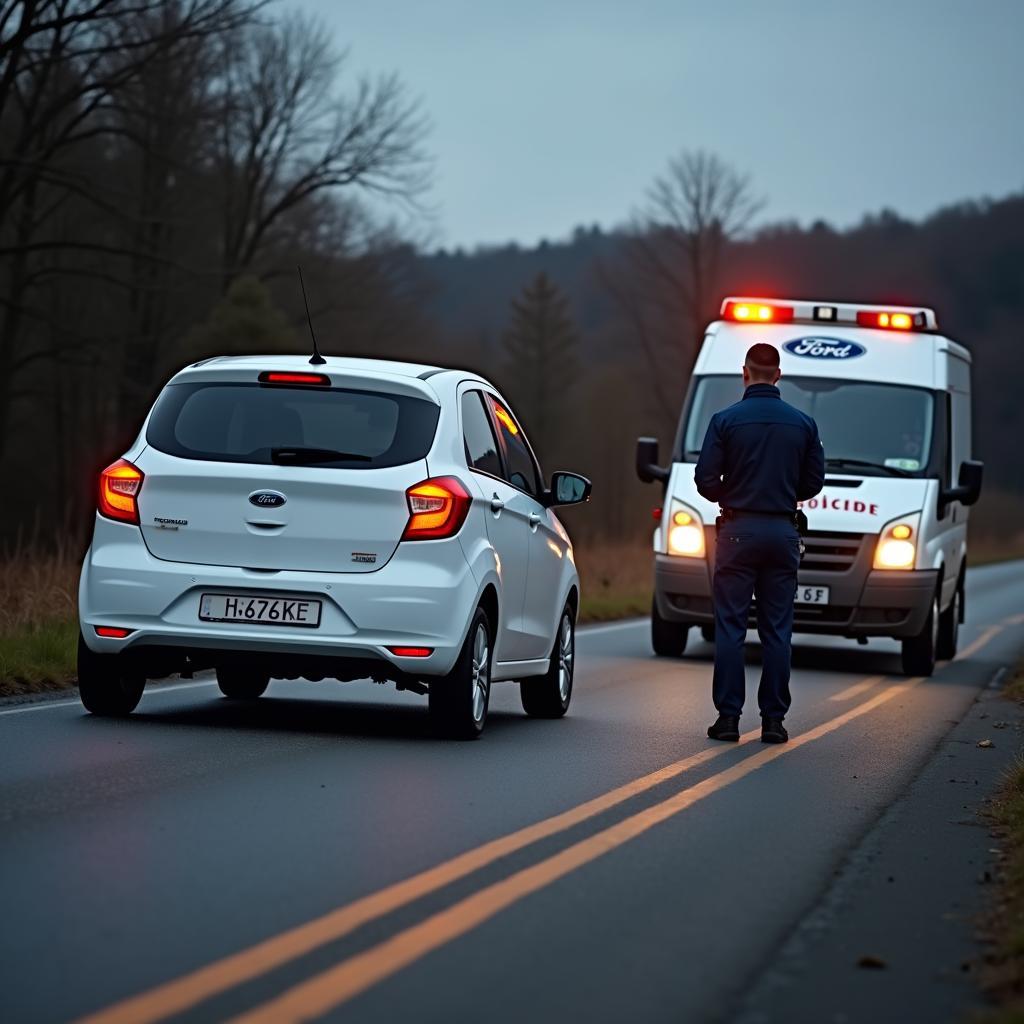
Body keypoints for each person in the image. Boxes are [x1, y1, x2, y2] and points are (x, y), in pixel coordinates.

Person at [694, 342, 825, 744]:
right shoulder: (803, 424)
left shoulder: (725, 420)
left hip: (737, 531)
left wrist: (731, 494)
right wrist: (782, 491)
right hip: (783, 532)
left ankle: (729, 718)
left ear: (745, 373)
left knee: (731, 626)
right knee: (777, 630)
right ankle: (774, 721)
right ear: (779, 376)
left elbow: (704, 480)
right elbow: (813, 482)